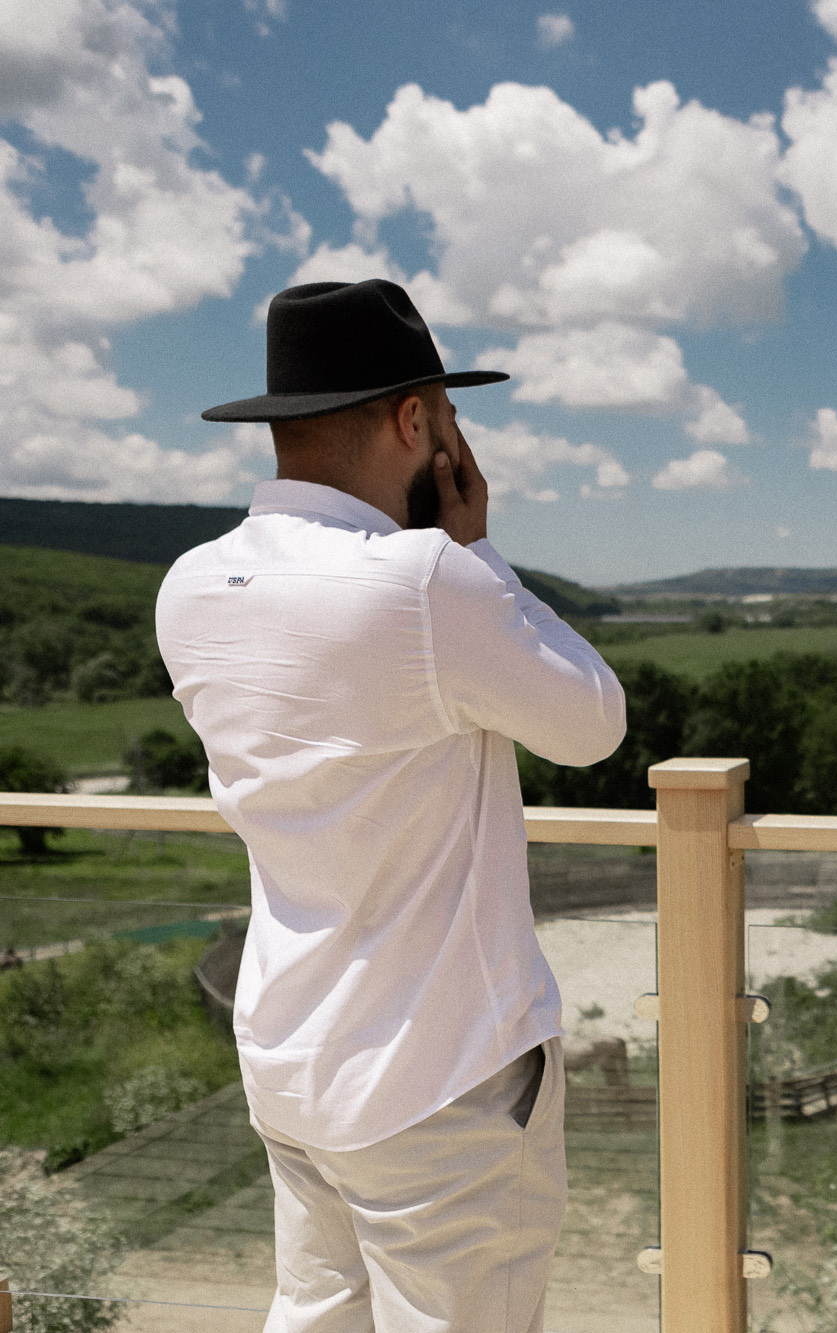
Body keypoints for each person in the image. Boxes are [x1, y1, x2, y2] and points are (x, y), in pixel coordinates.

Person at [156, 279, 627, 1332]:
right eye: (448, 415)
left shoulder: (188, 586)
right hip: (438, 1078)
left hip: (289, 1057)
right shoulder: (423, 581)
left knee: (316, 1311)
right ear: (415, 421)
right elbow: (594, 720)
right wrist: (478, 552)